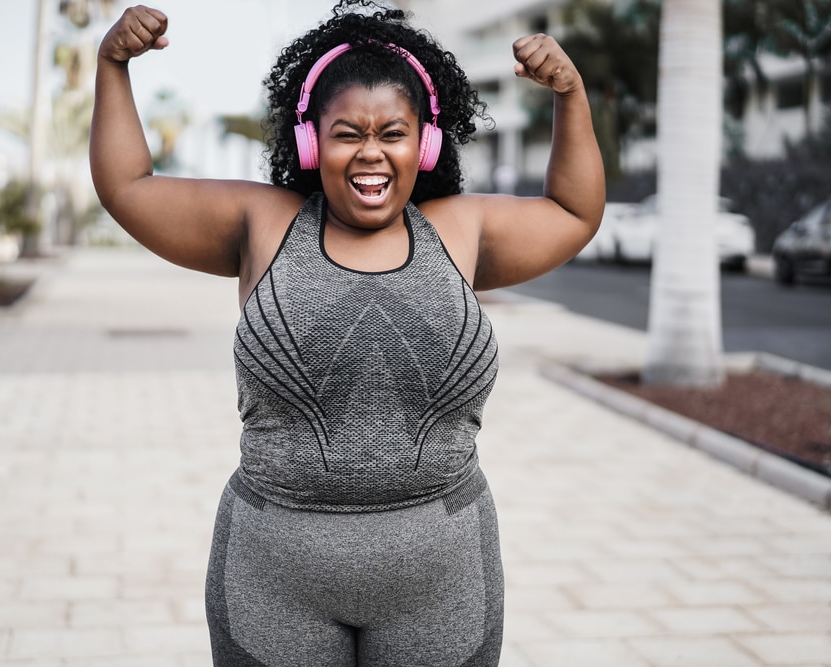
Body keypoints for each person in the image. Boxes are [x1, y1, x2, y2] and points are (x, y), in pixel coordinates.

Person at [91, 1, 604, 664]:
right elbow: (128, 185)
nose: (371, 153)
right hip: (274, 575)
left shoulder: (460, 229)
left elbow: (574, 209)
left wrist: (571, 94)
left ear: (424, 143)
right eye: (346, 134)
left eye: (392, 133)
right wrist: (112, 66)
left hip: (443, 577)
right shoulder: (262, 222)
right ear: (311, 143)